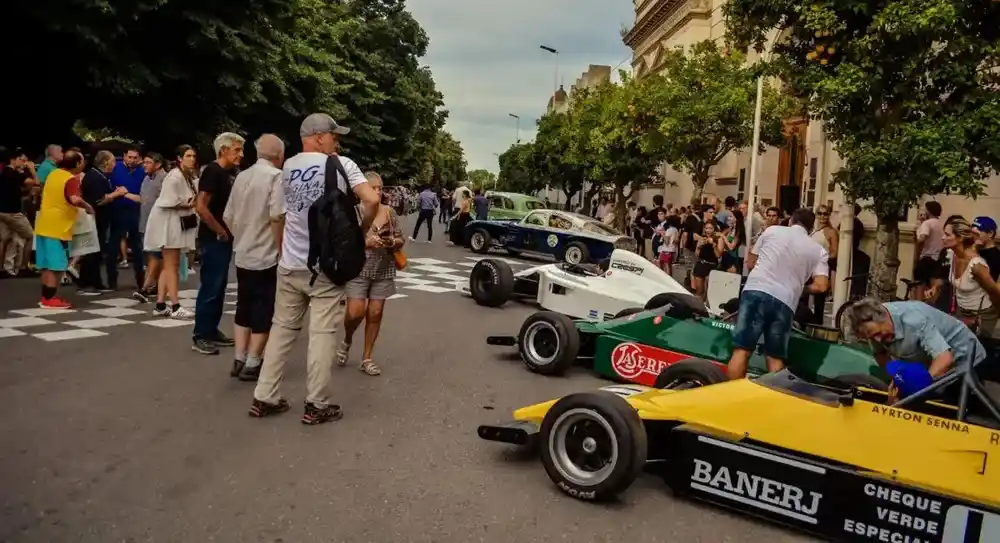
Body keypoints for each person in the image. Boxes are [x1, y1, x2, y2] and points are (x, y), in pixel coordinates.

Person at [250, 113, 380, 425]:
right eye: (334, 135)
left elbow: (277, 216)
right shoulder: (341, 164)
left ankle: (264, 396)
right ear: (319, 136)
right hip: (326, 265)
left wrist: (283, 250)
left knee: (282, 328)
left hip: (290, 264)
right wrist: (359, 232)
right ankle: (317, 404)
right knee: (322, 333)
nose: (338, 141)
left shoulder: (287, 168)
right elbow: (372, 200)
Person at [727, 208, 830, 380]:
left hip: (756, 290)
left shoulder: (771, 231)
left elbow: (751, 262)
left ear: (791, 221)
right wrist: (798, 287)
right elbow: (821, 286)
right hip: (786, 300)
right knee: (775, 357)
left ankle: (728, 397)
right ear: (812, 229)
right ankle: (773, 400)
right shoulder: (818, 250)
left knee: (742, 350)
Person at [223, 134, 285, 381]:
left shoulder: (242, 176)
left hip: (243, 251)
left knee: (243, 303)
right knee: (264, 306)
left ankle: (239, 356)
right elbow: (277, 216)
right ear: (279, 156)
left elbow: (228, 215)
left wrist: (239, 235)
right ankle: (253, 360)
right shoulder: (276, 177)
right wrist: (281, 247)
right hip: (266, 253)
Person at [843, 298, 987, 404]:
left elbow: (945, 359)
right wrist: (897, 377)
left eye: (879, 334)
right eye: (872, 337)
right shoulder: (872, 326)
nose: (878, 340)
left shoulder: (914, 319)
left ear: (884, 316)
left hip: (964, 360)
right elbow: (880, 354)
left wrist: (916, 386)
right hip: (929, 360)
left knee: (946, 413)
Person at [339, 171, 405, 376]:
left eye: (379, 188)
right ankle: (347, 339)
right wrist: (365, 242)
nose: (377, 192)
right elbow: (343, 241)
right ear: (361, 191)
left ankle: (367, 357)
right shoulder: (353, 212)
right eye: (372, 188)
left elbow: (400, 239)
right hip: (358, 268)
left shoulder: (389, 212)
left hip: (383, 268)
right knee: (355, 313)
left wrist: (391, 242)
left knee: (375, 314)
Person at [191, 132, 244, 355]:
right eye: (237, 150)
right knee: (211, 286)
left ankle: (211, 330)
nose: (241, 154)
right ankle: (200, 335)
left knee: (220, 285)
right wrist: (219, 230)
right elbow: (200, 205)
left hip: (225, 237)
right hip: (213, 237)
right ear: (223, 150)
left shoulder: (229, 172)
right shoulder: (213, 171)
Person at [143, 145, 199, 319]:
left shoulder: (187, 176)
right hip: (169, 223)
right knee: (171, 266)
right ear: (180, 158)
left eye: (193, 155)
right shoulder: (174, 177)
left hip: (175, 223)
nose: (192, 158)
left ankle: (160, 304)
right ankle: (175, 306)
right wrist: (187, 204)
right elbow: (168, 201)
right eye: (188, 155)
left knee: (169, 266)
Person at [33, 149, 94, 309]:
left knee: (46, 264)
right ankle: (50, 298)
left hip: (44, 224)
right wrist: (89, 207)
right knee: (57, 265)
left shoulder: (53, 174)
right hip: (59, 227)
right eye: (82, 160)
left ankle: (46, 297)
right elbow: (74, 199)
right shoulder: (70, 178)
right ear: (78, 163)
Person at [932, 218, 999, 337]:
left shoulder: (976, 265)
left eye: (947, 235)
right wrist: (935, 287)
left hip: (982, 315)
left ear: (960, 238)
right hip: (961, 311)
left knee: (977, 351)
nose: (943, 238)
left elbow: (994, 292)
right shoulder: (952, 254)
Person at [78, 150, 126, 294]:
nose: (114, 165)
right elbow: (99, 200)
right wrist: (116, 194)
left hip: (99, 219)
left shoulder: (99, 176)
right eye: (112, 162)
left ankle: (94, 281)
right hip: (94, 219)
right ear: (105, 162)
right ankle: (89, 283)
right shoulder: (94, 177)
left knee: (95, 251)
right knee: (92, 252)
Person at [106, 147, 147, 290]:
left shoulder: (142, 171)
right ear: (124, 156)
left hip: (134, 210)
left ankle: (141, 280)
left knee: (137, 247)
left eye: (135, 158)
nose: (132, 160)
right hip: (116, 210)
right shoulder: (115, 167)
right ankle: (112, 281)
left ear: (140, 158)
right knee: (113, 245)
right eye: (130, 157)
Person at [133, 153, 167, 302]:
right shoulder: (147, 178)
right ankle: (157, 286)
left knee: (156, 255)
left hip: (160, 223)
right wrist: (125, 194)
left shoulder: (165, 179)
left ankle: (145, 288)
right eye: (144, 162)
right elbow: (143, 199)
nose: (144, 165)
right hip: (146, 222)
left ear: (158, 164)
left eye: (148, 162)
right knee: (151, 256)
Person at [0, 148, 39, 278]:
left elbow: (19, 190)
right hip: (13, 212)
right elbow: (35, 183)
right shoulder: (13, 174)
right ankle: (23, 267)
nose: (24, 163)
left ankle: (5, 268)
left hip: (2, 211)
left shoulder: (4, 173)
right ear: (13, 160)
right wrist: (32, 171)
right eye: (22, 160)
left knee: (6, 239)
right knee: (29, 236)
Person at [809, 204, 839, 324]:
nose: (822, 216)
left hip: (822, 267)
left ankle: (817, 324)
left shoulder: (831, 232)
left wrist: (822, 258)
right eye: (820, 213)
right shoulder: (812, 230)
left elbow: (834, 253)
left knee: (819, 300)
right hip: (809, 266)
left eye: (825, 213)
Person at [913, 201, 944, 301]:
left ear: (928, 211)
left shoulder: (927, 223)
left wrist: (918, 249)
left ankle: (918, 309)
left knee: (919, 286)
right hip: (937, 259)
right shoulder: (941, 224)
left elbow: (922, 238)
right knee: (933, 289)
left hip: (926, 259)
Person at [691, 220, 723, 301]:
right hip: (700, 265)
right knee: (699, 291)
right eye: (706, 228)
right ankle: (699, 310)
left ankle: (708, 310)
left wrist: (713, 244)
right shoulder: (701, 238)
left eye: (710, 228)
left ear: (714, 229)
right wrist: (699, 247)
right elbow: (696, 255)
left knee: (710, 292)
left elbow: (718, 255)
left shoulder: (719, 239)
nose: (708, 230)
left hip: (712, 266)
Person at [972, 216, 999, 282]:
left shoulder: (996, 256)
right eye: (972, 233)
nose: (973, 236)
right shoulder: (975, 249)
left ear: (990, 233)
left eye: (976, 234)